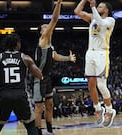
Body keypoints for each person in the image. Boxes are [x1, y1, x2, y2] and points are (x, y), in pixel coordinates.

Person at [33, 0, 76, 134]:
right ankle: (38, 132)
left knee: (49, 105)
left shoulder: (50, 46)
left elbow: (56, 57)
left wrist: (68, 58)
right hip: (38, 78)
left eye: (48, 26)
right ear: (41, 32)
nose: (48, 27)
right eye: (45, 27)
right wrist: (58, 5)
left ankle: (50, 131)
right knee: (39, 108)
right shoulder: (43, 40)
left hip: (47, 78)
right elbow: (55, 20)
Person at [0, 33, 43, 135]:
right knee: (30, 124)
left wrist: (0, 85)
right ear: (18, 44)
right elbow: (39, 75)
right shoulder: (25, 58)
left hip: (4, 95)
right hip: (20, 94)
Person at [74, 0, 116, 127]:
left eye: (101, 6)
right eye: (98, 5)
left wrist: (92, 6)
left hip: (102, 54)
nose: (98, 7)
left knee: (102, 85)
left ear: (107, 9)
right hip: (90, 53)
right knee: (91, 84)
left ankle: (109, 110)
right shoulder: (92, 17)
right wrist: (85, 1)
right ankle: (98, 108)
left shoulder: (110, 20)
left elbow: (100, 23)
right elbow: (77, 11)